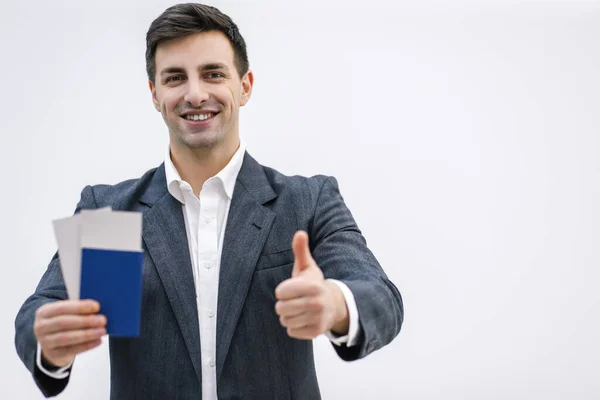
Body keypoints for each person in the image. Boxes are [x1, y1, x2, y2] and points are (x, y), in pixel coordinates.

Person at [14, 3, 404, 399]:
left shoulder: (307, 201)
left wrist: (335, 303)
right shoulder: (109, 211)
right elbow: (38, 312)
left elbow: (382, 298)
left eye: (213, 74)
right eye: (175, 78)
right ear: (155, 94)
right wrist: (48, 341)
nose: (195, 94)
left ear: (245, 86)